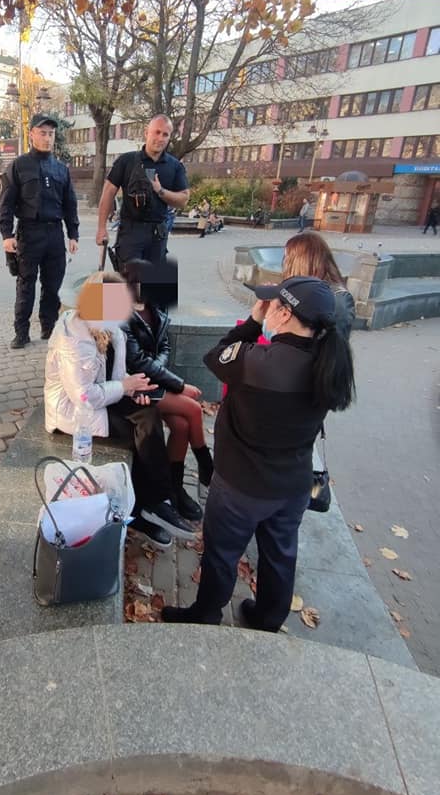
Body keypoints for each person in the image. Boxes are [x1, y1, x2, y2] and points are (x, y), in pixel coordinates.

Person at [162, 276, 356, 631]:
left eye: (273, 305)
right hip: (292, 484)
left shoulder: (256, 360)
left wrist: (252, 323)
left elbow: (215, 356)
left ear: (283, 313)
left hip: (241, 484)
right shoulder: (330, 361)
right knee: (280, 556)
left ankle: (205, 614)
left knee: (222, 554)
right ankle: (267, 618)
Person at [44, 271, 197, 549]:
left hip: (101, 398)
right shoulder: (74, 339)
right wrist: (124, 386)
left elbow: (117, 375)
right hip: (74, 414)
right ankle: (147, 508)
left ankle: (156, 502)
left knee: (148, 413)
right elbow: (83, 397)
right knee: (137, 431)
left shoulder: (108, 327)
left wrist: (131, 390)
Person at [122, 260, 213, 522]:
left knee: (183, 427)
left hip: (155, 381)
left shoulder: (157, 309)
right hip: (136, 385)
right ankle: (208, 470)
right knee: (193, 407)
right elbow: (136, 361)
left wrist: (162, 375)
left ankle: (175, 489)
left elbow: (164, 349)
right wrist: (179, 385)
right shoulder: (120, 313)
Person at [0, 114, 79, 349]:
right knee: (26, 285)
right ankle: (21, 332)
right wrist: (6, 235)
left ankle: (48, 328)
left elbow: (69, 204)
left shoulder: (61, 169)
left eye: (51, 134)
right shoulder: (19, 166)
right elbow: (6, 203)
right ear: (31, 134)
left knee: (53, 285)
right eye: (42, 133)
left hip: (54, 234)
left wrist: (72, 234)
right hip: (29, 233)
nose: (47, 138)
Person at [96, 115, 190, 266]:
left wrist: (161, 191)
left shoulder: (174, 166)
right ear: (146, 133)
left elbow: (184, 199)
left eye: (165, 134)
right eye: (157, 132)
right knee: (126, 286)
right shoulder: (126, 161)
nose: (160, 138)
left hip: (157, 235)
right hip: (130, 232)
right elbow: (108, 193)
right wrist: (101, 228)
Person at [282, 231, 355, 341]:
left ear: (302, 261)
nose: (284, 262)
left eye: (287, 258)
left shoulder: (338, 298)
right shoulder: (296, 289)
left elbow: (337, 347)